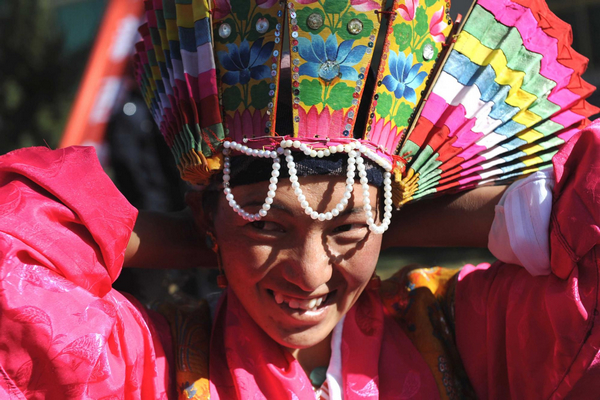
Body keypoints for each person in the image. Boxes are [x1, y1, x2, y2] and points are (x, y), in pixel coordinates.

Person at [1, 1, 600, 399]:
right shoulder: (150, 364)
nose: (310, 274)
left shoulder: (456, 332)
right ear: (206, 218)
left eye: (346, 230)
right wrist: (208, 231)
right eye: (267, 225)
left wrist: (497, 218)